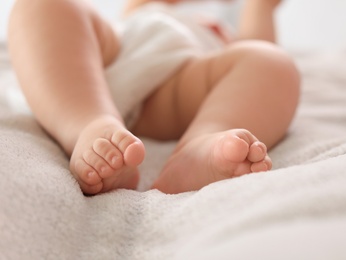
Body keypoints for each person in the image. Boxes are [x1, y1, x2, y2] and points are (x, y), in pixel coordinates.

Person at [8, 0, 300, 195]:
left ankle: (196, 148)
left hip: (180, 83)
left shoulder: (224, 29)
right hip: (106, 59)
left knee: (272, 61)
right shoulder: (147, 10)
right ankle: (89, 123)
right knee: (43, 4)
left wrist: (260, 7)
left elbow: (257, 43)